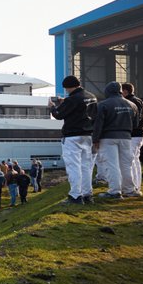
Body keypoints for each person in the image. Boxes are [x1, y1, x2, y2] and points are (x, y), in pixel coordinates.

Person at [49, 75, 97, 204]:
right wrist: (66, 102)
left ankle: (75, 195)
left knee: (73, 166)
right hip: (88, 135)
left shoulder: (72, 99)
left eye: (66, 89)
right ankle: (88, 194)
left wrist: (52, 107)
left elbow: (59, 115)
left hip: (72, 136)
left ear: (69, 87)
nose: (66, 91)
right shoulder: (91, 96)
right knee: (87, 166)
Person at [92, 81, 138, 198]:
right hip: (126, 137)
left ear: (107, 91)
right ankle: (129, 190)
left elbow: (98, 124)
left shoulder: (103, 104)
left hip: (108, 138)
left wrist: (95, 139)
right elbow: (136, 124)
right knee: (126, 165)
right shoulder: (132, 105)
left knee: (112, 165)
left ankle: (114, 191)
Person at [121, 83, 143, 196]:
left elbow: (135, 119)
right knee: (135, 160)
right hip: (139, 134)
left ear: (125, 91)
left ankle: (132, 187)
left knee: (129, 161)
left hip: (133, 134)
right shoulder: (139, 101)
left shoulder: (131, 102)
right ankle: (136, 186)